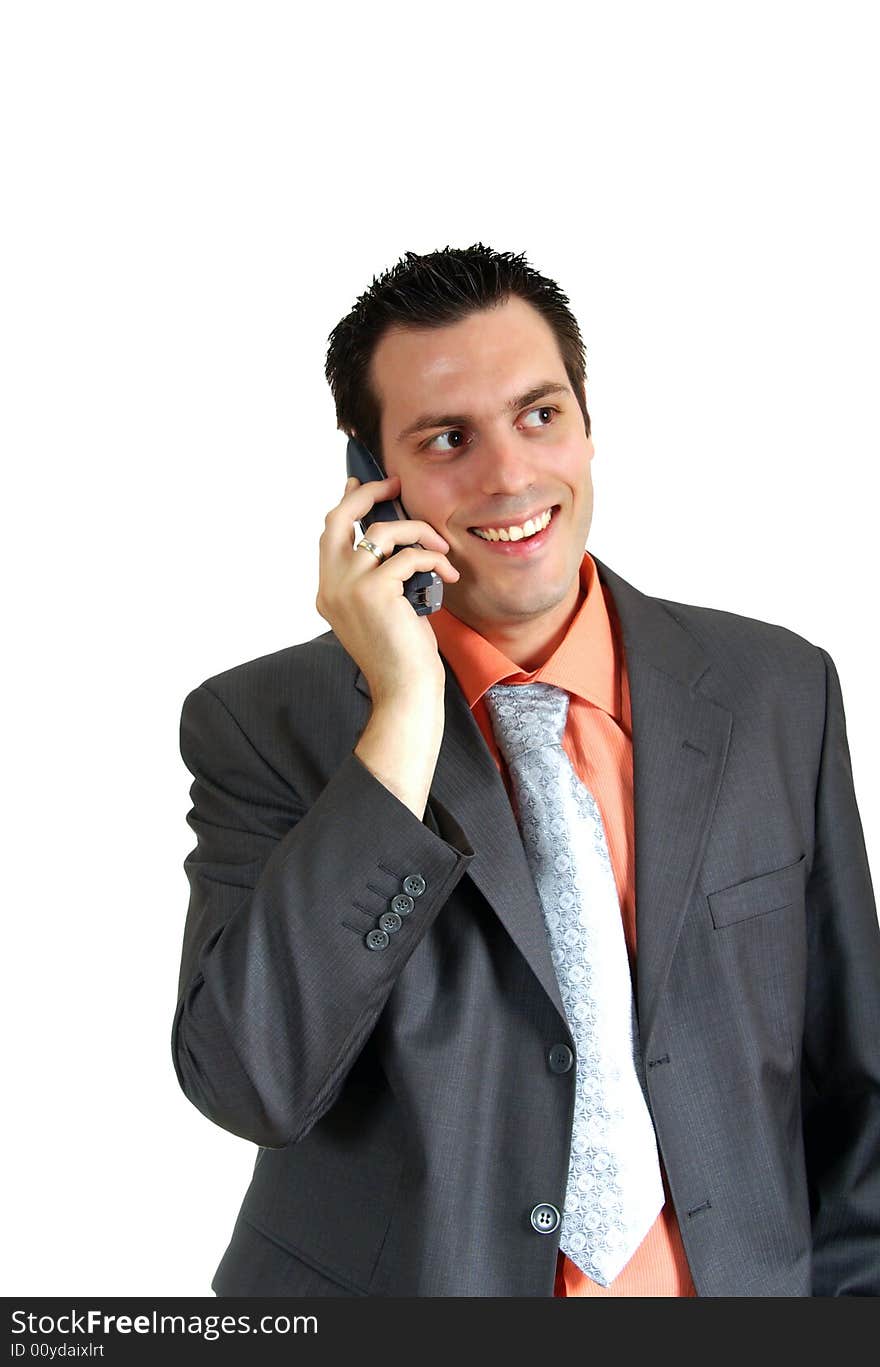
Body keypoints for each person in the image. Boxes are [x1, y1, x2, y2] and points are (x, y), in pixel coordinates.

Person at [173, 243, 880, 1297]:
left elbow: (855, 1085)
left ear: (587, 424)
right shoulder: (262, 724)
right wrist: (405, 716)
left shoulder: (776, 690)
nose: (509, 474)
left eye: (540, 414)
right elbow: (253, 1079)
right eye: (448, 437)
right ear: (372, 483)